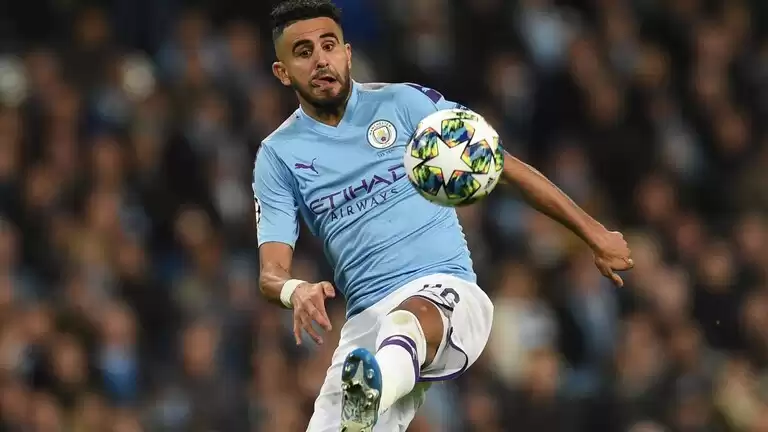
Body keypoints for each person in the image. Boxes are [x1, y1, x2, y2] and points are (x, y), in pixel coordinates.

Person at [253, 1, 634, 430]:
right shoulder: (278, 155)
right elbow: (271, 273)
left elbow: (504, 166)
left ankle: (377, 386)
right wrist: (295, 290)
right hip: (365, 326)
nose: (321, 59)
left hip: (447, 293)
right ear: (282, 72)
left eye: (329, 45)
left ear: (348, 53)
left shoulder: (403, 103)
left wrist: (593, 232)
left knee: (407, 320)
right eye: (304, 52)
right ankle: (372, 393)